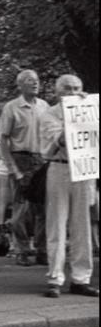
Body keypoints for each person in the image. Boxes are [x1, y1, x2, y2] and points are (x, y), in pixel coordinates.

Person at [39, 74, 98, 298]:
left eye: (76, 88)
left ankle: (81, 279)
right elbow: (54, 144)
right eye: (67, 89)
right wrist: (73, 116)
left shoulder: (89, 110)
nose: (72, 93)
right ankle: (55, 278)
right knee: (57, 223)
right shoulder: (49, 115)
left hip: (84, 170)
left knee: (82, 225)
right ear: (58, 92)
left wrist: (88, 108)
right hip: (60, 168)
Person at [0, 70, 49, 266]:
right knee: (21, 207)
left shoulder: (44, 106)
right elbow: (2, 139)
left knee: (43, 207)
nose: (35, 83)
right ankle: (22, 249)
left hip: (41, 158)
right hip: (21, 158)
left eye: (37, 80)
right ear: (20, 85)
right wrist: (13, 168)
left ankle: (42, 249)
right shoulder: (12, 108)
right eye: (29, 80)